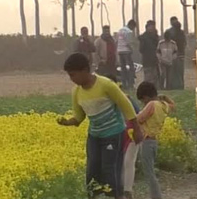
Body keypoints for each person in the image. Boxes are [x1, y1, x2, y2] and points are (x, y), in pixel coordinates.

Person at [57, 53, 144, 199]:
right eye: (69, 76)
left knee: (109, 170)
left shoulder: (106, 85)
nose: (71, 79)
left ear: (85, 70)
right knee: (92, 170)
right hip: (94, 136)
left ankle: (116, 196)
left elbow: (126, 105)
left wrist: (136, 129)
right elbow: (79, 118)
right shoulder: (76, 92)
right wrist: (66, 122)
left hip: (113, 134)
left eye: (73, 75)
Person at [135, 82, 175, 199]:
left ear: (146, 97)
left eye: (143, 100)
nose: (143, 103)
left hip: (146, 141)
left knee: (149, 173)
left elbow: (139, 119)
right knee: (150, 170)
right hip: (154, 142)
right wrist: (164, 97)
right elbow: (173, 105)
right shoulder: (163, 105)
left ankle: (156, 196)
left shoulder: (151, 104)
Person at [166, 17, 186, 89]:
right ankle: (174, 86)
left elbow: (183, 43)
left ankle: (178, 86)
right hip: (173, 55)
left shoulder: (180, 32)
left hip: (179, 54)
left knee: (178, 72)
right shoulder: (169, 32)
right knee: (173, 72)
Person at [117, 20, 138, 89]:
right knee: (131, 68)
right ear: (132, 25)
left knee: (123, 68)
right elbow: (129, 42)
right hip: (126, 51)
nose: (133, 29)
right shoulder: (129, 32)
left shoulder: (120, 30)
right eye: (133, 27)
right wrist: (132, 49)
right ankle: (130, 84)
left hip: (120, 51)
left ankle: (124, 84)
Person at [139, 20, 159, 86]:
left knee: (155, 76)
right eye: (150, 27)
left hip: (154, 59)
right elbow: (141, 49)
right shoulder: (143, 37)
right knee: (148, 76)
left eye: (153, 27)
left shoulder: (155, 36)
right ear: (147, 27)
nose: (152, 28)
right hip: (147, 59)